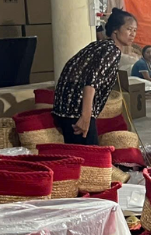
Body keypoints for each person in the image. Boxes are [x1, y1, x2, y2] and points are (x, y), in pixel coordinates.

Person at [52, 8, 137, 145]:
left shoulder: (98, 45)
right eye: (129, 29)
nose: (132, 34)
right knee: (91, 156)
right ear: (116, 30)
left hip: (64, 110)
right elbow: (91, 81)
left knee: (77, 154)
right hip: (77, 112)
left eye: (134, 30)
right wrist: (86, 117)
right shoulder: (112, 50)